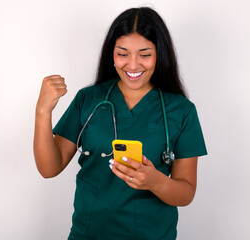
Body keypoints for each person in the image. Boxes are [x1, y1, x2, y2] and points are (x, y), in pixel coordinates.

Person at [34, 7, 207, 240]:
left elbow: (186, 193)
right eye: (122, 54)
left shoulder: (181, 111)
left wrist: (156, 182)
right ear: (111, 54)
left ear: (160, 54)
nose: (133, 65)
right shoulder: (89, 100)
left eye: (145, 54)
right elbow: (49, 168)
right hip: (89, 234)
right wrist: (43, 111)